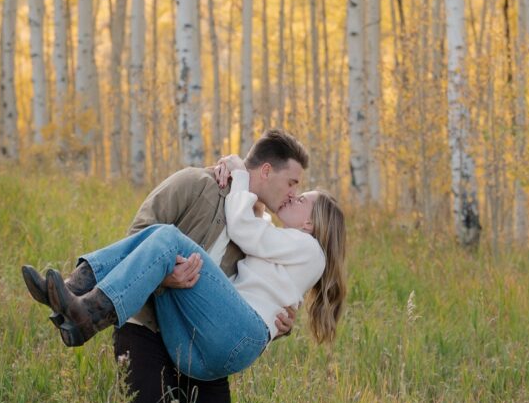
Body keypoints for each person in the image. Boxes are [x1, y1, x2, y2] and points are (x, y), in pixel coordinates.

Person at [21, 130, 329, 403]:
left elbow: (266, 294)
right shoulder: (195, 183)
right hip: (148, 325)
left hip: (201, 337)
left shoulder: (255, 223)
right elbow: (138, 237)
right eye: (292, 182)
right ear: (266, 171)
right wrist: (165, 278)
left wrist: (282, 325)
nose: (294, 193)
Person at [24, 159, 346, 380]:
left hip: (236, 335)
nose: (292, 196)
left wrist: (241, 177)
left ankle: (88, 310)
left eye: (300, 197)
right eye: (292, 186)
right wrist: (234, 169)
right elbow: (254, 223)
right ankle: (75, 289)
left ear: (310, 223)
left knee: (168, 238)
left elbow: (245, 229)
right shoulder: (285, 244)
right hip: (197, 349)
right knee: (158, 239)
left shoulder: (310, 250)